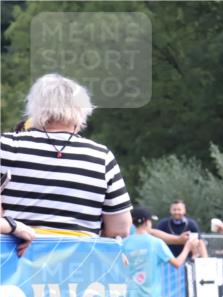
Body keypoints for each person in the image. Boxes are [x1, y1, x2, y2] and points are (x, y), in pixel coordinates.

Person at [0, 73, 131, 239]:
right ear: (82, 110)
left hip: (14, 253)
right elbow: (120, 228)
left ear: (34, 107)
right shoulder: (102, 157)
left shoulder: (5, 146)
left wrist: (14, 226)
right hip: (80, 254)